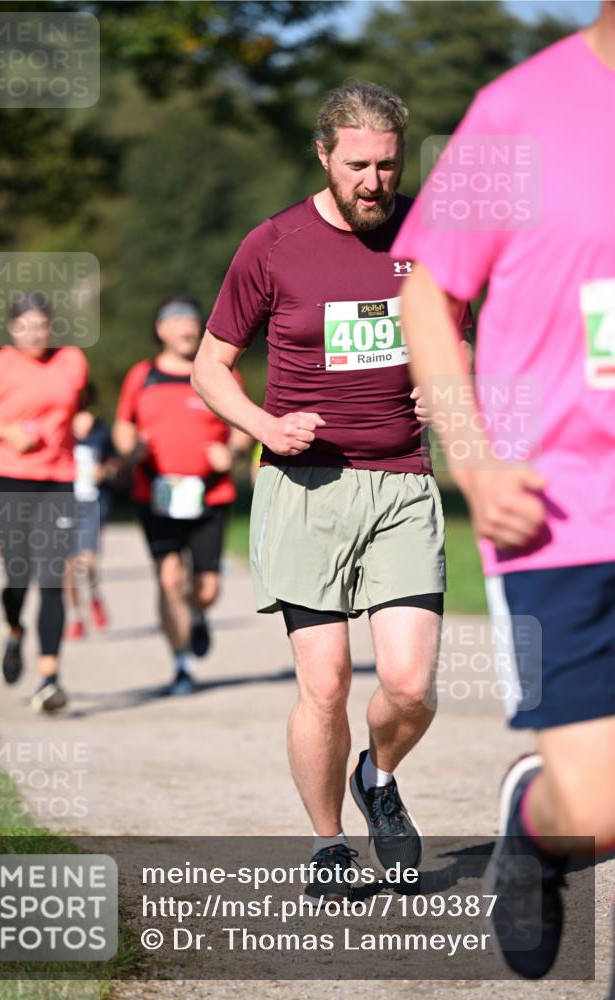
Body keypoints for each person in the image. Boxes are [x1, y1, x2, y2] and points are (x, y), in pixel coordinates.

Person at [193, 82, 470, 902]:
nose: (374, 182)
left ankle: (376, 775)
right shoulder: (272, 244)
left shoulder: (431, 238)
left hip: (402, 486)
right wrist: (263, 426)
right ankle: (326, 849)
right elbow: (211, 366)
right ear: (322, 155)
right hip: (305, 487)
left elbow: (458, 341)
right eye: (357, 165)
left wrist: (446, 386)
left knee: (410, 683)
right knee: (323, 685)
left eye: (387, 165)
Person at [394, 3, 615, 978]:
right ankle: (537, 822)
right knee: (600, 807)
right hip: (556, 501)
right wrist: (473, 459)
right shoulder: (518, 111)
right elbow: (425, 293)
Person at [0, 291, 89, 713]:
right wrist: (7, 432)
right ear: (12, 329)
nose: (34, 334)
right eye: (25, 327)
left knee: (53, 577)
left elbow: (76, 405)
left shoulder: (72, 361)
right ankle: (14, 632)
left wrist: (81, 421)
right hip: (8, 477)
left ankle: (49, 678)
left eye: (41, 326)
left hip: (58, 478)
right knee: (18, 576)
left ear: (51, 326)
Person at [113, 293, 252, 695]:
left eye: (192, 322)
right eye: (177, 322)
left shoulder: (218, 371)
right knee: (169, 577)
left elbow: (242, 423)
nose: (187, 329)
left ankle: (198, 614)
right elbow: (124, 424)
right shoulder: (142, 376)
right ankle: (181, 665)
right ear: (161, 330)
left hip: (210, 495)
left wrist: (233, 452)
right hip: (155, 492)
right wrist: (129, 450)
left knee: (207, 587)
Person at [64, 382, 118, 639]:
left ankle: (94, 595)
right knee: (67, 565)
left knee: (87, 561)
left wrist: (104, 472)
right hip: (62, 502)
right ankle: (76, 615)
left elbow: (114, 465)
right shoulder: (58, 428)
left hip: (91, 501)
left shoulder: (101, 432)